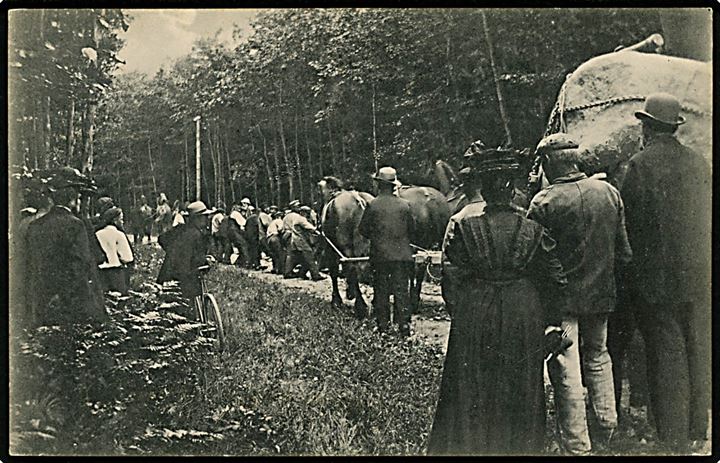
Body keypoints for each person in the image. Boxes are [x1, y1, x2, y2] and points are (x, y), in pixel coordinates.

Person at [427, 146, 568, 456]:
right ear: (511, 188)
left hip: (475, 312)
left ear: (485, 189)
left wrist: (462, 312)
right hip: (522, 312)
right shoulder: (533, 229)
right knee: (520, 383)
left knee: (472, 385)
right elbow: (555, 280)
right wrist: (550, 322)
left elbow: (451, 277)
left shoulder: (466, 228)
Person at [527, 133, 633, 455]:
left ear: (547, 163)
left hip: (562, 302)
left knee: (565, 367)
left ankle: (577, 444)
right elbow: (624, 253)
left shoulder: (543, 202)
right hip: (601, 296)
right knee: (599, 356)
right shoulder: (609, 193)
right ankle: (608, 427)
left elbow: (533, 257)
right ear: (575, 161)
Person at [620, 93, 711, 451]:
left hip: (657, 279)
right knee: (697, 346)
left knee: (667, 352)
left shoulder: (639, 166)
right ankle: (697, 428)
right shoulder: (699, 163)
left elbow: (631, 225)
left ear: (647, 127)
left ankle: (673, 438)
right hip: (699, 274)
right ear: (673, 128)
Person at [24, 167, 109, 327]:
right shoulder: (75, 225)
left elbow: (29, 264)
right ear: (73, 199)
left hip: (40, 301)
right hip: (71, 302)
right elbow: (80, 264)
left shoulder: (35, 225)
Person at [359, 166, 414, 336]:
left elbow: (363, 230)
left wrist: (378, 236)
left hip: (380, 256)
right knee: (401, 290)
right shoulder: (405, 205)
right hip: (402, 255)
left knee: (381, 290)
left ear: (378, 185)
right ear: (393, 185)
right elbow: (413, 230)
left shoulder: (372, 205)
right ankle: (404, 326)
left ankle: (383, 326)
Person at [157, 201, 216, 303]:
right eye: (204, 216)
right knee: (188, 304)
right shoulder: (198, 235)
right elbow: (197, 260)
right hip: (185, 279)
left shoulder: (179, 229)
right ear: (197, 218)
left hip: (167, 274)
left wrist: (173, 252)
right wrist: (206, 261)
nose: (207, 219)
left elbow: (161, 239)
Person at [95, 206, 134, 294]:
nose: (122, 222)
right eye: (121, 219)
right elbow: (127, 257)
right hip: (116, 274)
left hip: (101, 273)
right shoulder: (119, 235)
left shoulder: (97, 233)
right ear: (115, 220)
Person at [284, 204, 324, 280]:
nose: (308, 215)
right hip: (301, 241)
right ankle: (315, 275)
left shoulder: (297, 218)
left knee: (299, 258)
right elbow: (309, 227)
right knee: (310, 257)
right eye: (307, 213)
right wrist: (318, 231)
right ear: (303, 212)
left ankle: (296, 273)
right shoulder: (301, 219)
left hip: (295, 240)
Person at [266, 210, 285, 274]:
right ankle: (280, 270)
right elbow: (280, 229)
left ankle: (275, 268)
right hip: (275, 237)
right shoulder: (279, 221)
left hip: (269, 238)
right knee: (280, 254)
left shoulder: (272, 222)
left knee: (274, 255)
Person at [244, 205, 263, 269]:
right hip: (254, 236)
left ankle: (251, 264)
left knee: (251, 250)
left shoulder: (249, 218)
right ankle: (256, 264)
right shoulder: (255, 218)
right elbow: (258, 227)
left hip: (248, 236)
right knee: (255, 250)